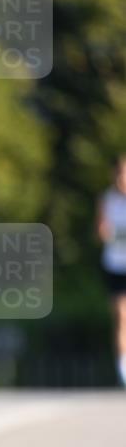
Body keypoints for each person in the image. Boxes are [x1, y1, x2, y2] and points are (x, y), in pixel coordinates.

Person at [96, 156, 126, 387]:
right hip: (115, 265)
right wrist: (105, 231)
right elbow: (101, 231)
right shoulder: (106, 199)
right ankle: (123, 368)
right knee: (121, 315)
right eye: (118, 174)